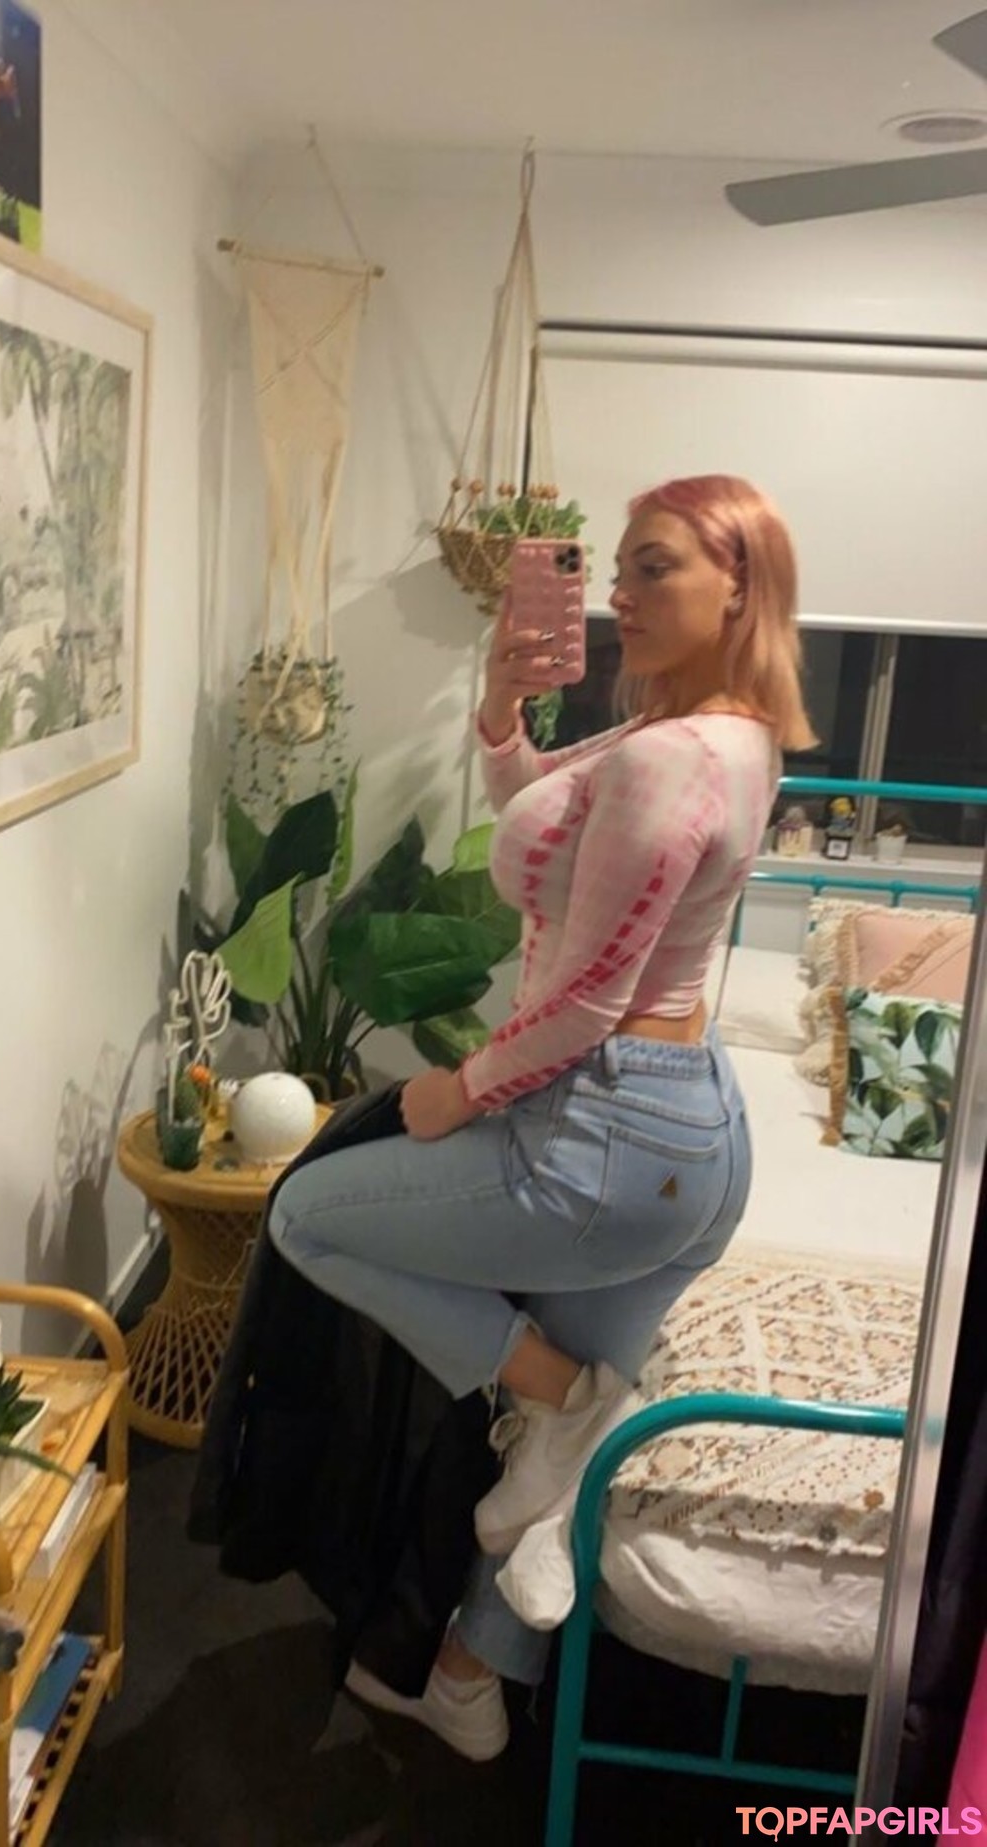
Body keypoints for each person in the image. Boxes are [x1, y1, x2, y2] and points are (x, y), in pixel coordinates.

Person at [268, 473, 816, 1760]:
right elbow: (553, 830)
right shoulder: (716, 736)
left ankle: (566, 1396)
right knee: (565, 1461)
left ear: (741, 581)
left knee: (305, 1216)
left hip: (614, 1127)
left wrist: (456, 1087)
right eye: (617, 570)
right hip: (687, 1135)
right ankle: (468, 1674)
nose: (622, 593)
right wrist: (503, 711)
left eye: (656, 566)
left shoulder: (674, 756)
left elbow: (586, 999)